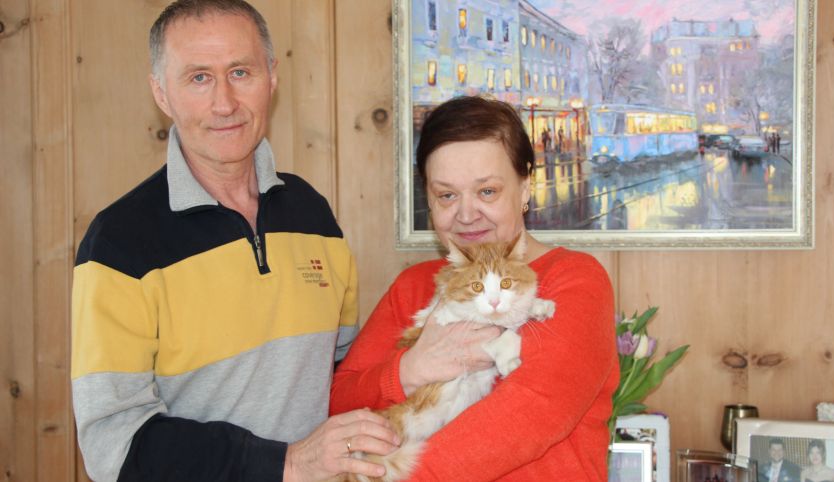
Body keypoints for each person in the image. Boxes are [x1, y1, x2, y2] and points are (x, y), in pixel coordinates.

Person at [70, 1, 399, 481]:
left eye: (240, 72)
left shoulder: (313, 215)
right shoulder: (119, 243)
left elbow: (343, 380)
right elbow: (112, 446)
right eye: (198, 78)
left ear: (272, 76)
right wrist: (283, 463)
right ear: (161, 92)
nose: (224, 103)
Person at [330, 96, 619, 480]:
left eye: (487, 192)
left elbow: (527, 418)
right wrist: (408, 370)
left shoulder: (574, 280)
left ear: (525, 187)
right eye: (447, 195)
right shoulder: (413, 286)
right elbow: (340, 402)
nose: (466, 215)